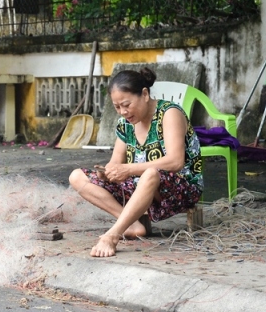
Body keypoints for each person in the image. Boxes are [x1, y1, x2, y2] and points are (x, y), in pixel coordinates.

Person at [69, 67, 204, 258]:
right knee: (77, 176)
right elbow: (116, 162)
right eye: (117, 107)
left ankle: (112, 235)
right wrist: (107, 172)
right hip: (141, 184)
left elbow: (176, 162)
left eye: (126, 104)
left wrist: (129, 169)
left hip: (181, 187)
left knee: (150, 173)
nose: (123, 112)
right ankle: (132, 225)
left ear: (145, 94)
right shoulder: (125, 124)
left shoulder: (169, 113)